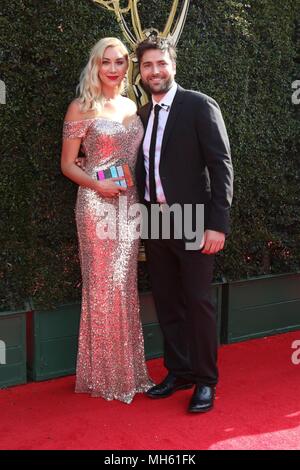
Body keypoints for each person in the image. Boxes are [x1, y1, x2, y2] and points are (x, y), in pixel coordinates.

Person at [135, 36, 234, 412]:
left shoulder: (198, 105)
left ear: (173, 66)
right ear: (140, 71)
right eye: (147, 65)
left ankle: (206, 381)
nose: (155, 71)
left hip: (194, 220)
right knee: (167, 302)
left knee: (196, 301)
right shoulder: (143, 114)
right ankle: (179, 371)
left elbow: (220, 166)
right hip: (155, 219)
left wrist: (217, 224)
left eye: (161, 63)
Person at [61, 37, 153, 403]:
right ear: (95, 65)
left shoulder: (133, 105)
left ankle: (128, 372)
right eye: (106, 62)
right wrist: (99, 185)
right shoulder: (81, 107)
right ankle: (104, 377)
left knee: (125, 284)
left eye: (120, 63)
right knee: (103, 287)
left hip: (128, 207)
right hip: (96, 206)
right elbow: (67, 164)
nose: (114, 69)